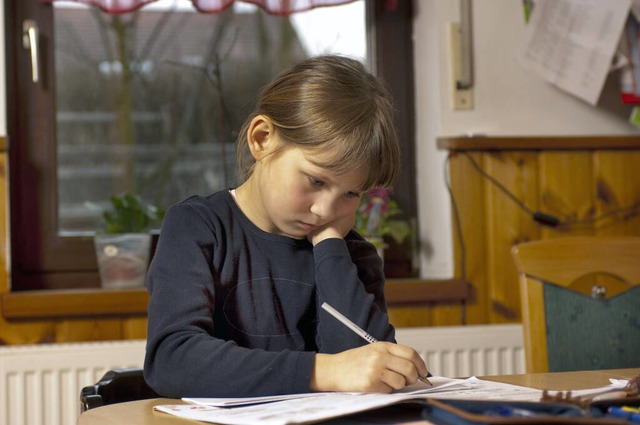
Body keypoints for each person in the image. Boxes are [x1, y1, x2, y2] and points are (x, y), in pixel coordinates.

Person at [143, 54, 428, 398]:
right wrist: (324, 370)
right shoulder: (197, 227)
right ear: (262, 139)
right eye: (315, 180)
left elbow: (367, 369)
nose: (325, 210)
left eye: (351, 193)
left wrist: (330, 248)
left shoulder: (350, 254)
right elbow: (171, 360)